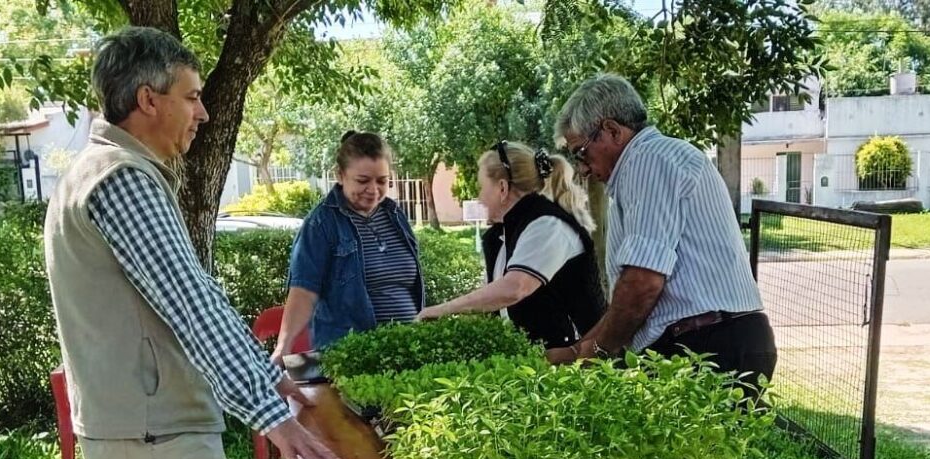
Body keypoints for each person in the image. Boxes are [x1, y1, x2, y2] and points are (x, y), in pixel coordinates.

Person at [42, 27, 347, 459]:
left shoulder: (99, 170)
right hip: (153, 434)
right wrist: (274, 416)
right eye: (193, 96)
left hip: (128, 430)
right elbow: (193, 307)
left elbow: (191, 298)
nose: (203, 112)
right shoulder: (123, 180)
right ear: (147, 100)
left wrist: (272, 380)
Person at [548, 73, 777, 389]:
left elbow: (642, 282)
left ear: (612, 130)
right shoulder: (649, 164)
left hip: (707, 347)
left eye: (581, 152)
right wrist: (579, 349)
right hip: (711, 342)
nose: (583, 169)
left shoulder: (647, 160)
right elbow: (632, 290)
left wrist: (593, 353)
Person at [416, 141, 606, 349]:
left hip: (581, 365)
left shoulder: (548, 226)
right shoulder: (506, 233)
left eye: (481, 188)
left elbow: (514, 288)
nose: (479, 198)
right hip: (541, 366)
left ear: (502, 188)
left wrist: (443, 310)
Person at [271, 131, 424, 360]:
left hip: (408, 352)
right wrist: (282, 349)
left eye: (382, 181)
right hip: (351, 357)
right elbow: (304, 291)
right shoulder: (321, 223)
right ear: (340, 175)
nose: (373, 190)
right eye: (363, 181)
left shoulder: (395, 215)